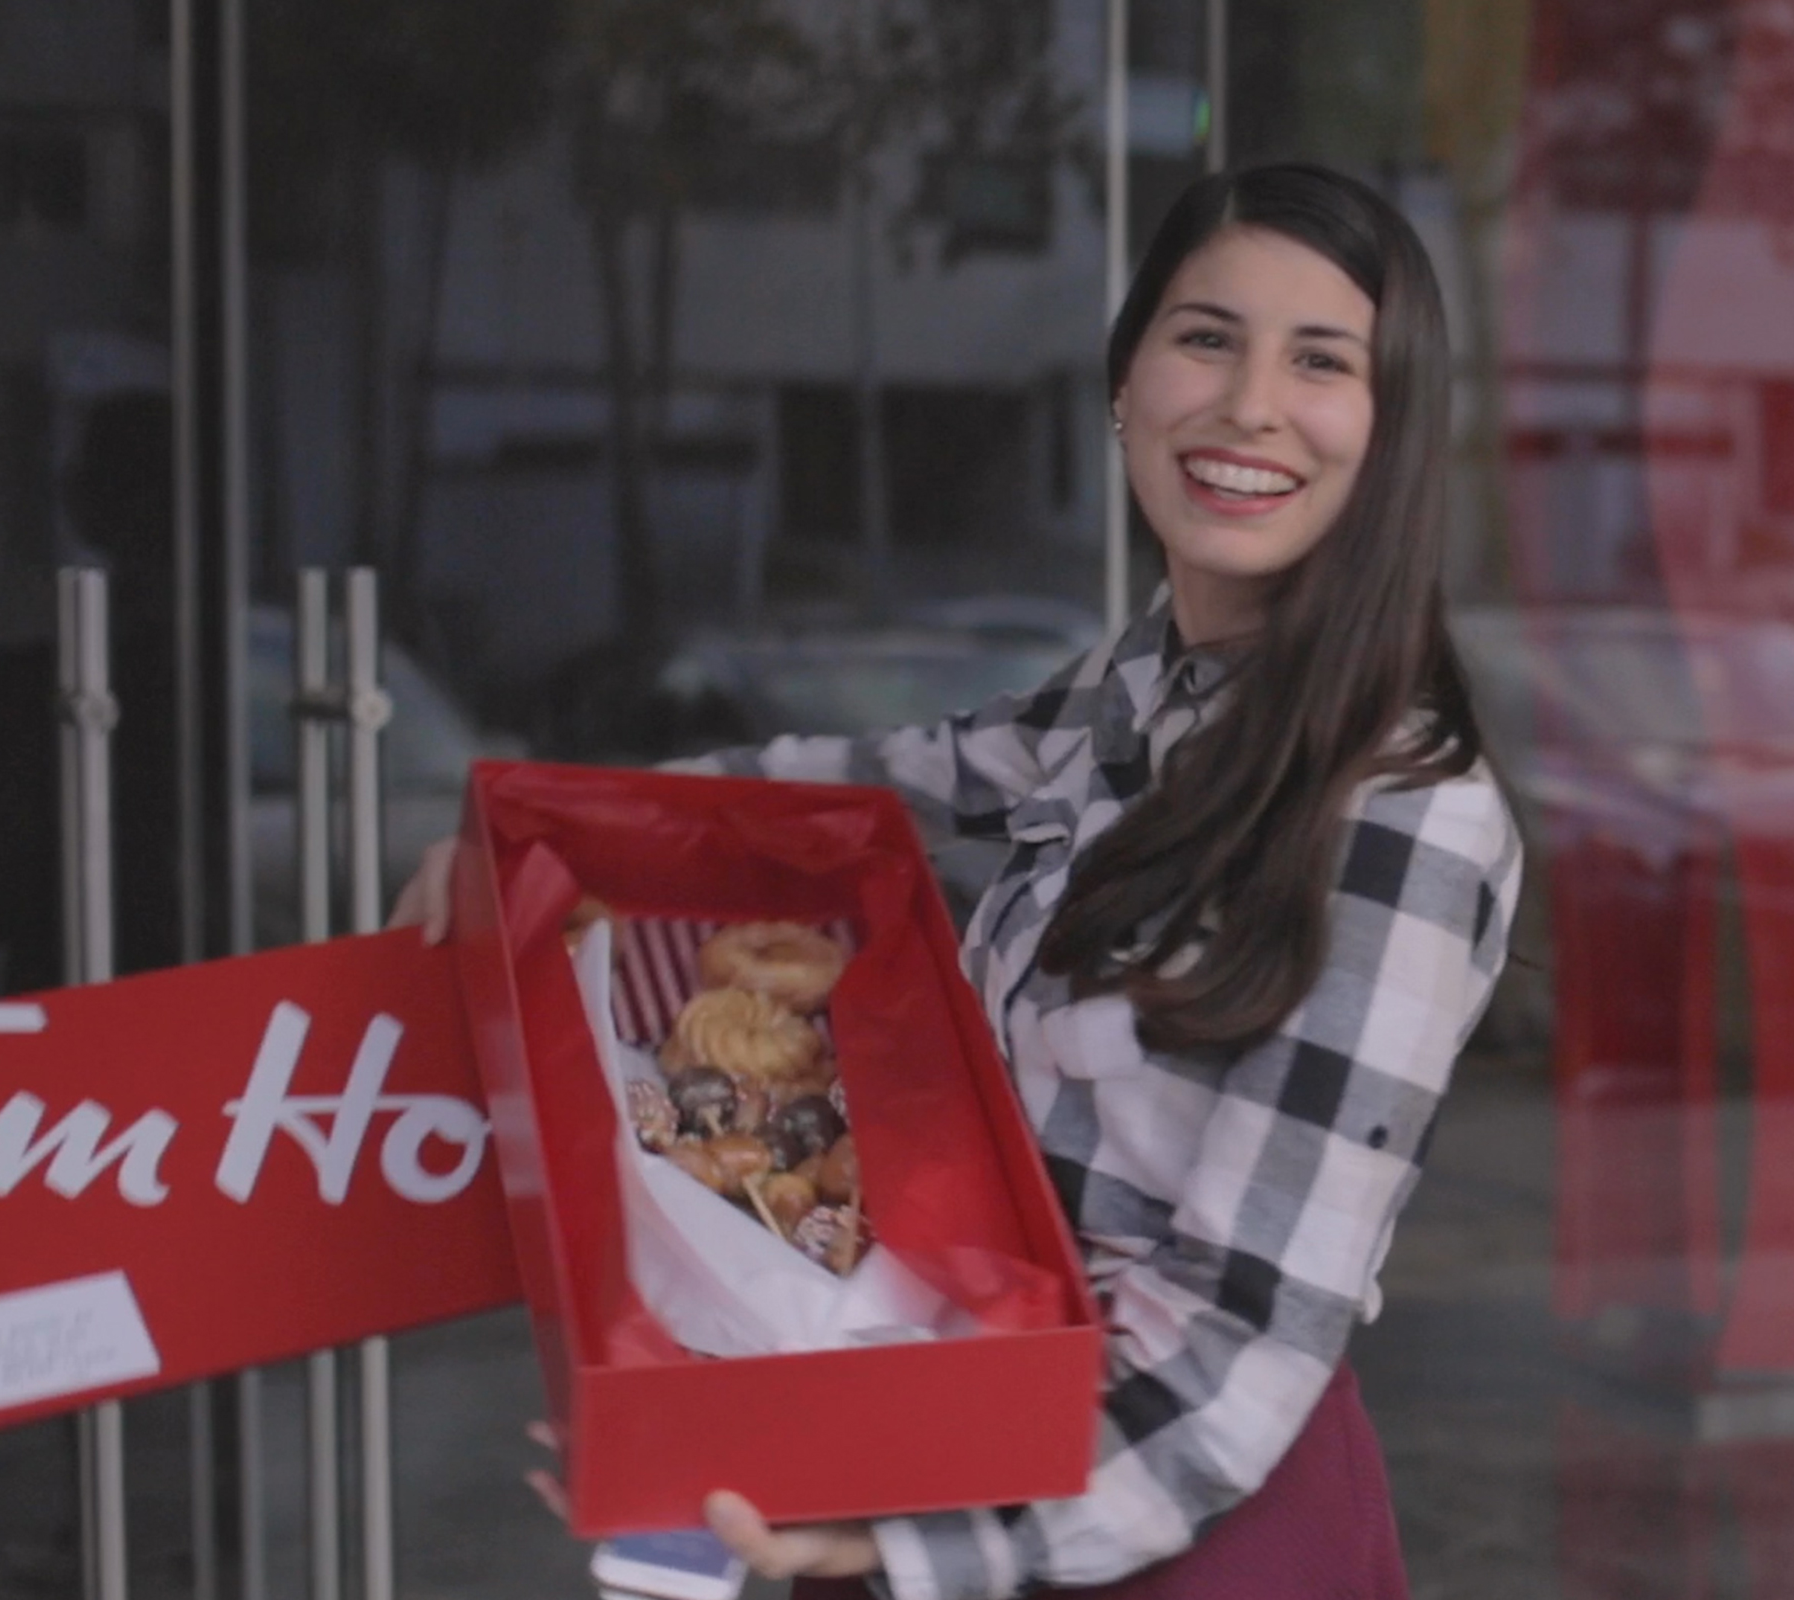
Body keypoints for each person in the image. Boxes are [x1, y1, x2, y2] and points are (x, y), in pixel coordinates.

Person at [392, 162, 1521, 1599]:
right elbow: (854, 792)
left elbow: (1251, 1333)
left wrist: (915, 1545)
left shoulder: (1397, 811)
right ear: (1125, 385)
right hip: (959, 1433)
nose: (1248, 404)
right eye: (1205, 337)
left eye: (1322, 362)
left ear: (1394, 431)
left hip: (1186, 1520)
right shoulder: (1143, 698)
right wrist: (543, 844)